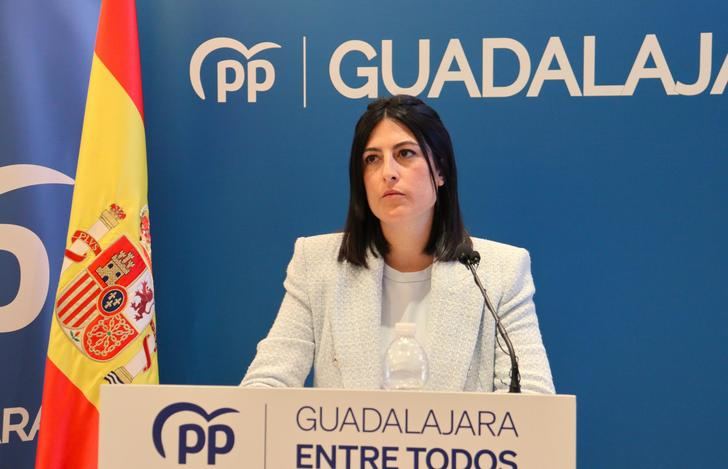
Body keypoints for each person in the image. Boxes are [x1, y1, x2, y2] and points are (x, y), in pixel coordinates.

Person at [241, 95, 554, 393]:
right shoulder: (317, 263)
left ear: (440, 170)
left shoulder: (500, 271)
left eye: (405, 154)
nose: (388, 173)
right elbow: (267, 384)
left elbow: (533, 400)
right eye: (372, 159)